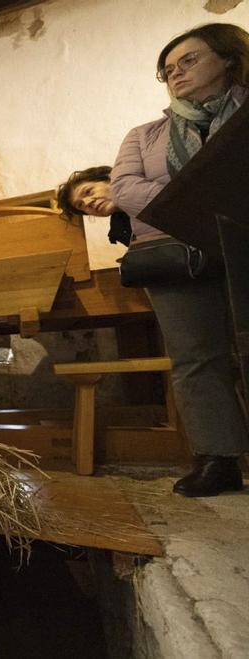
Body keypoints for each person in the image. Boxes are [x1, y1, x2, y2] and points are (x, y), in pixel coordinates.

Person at [110, 23, 249, 497]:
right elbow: (125, 190)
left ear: (228, 59)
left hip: (243, 242)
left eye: (188, 60)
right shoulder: (145, 135)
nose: (176, 74)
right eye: (168, 70)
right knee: (195, 358)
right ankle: (219, 459)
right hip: (174, 253)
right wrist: (206, 193)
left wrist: (187, 194)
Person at [55, 165, 131, 246]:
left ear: (109, 178)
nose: (87, 202)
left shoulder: (143, 183)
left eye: (88, 191)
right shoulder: (121, 231)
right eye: (80, 205)